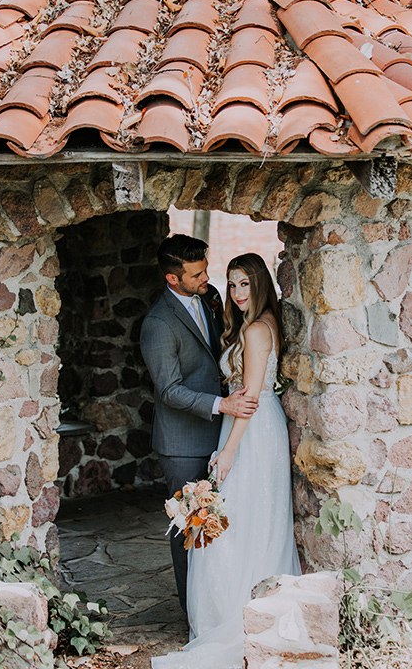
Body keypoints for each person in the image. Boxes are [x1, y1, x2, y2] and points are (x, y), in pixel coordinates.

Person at [151, 253, 300, 669]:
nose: (235, 293)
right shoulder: (264, 321)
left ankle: (232, 615)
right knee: (254, 517)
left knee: (234, 522)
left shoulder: (255, 330)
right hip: (256, 425)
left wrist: (228, 450)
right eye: (231, 284)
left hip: (249, 430)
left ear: (259, 284)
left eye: (244, 284)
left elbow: (249, 400)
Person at [140, 235, 258, 615]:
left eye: (206, 268)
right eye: (196, 273)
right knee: (190, 531)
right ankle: (195, 617)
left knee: (221, 524)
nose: (207, 277)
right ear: (173, 279)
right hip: (182, 443)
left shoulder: (208, 301)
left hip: (219, 433)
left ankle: (220, 605)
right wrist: (221, 403)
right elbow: (169, 390)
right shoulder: (158, 323)